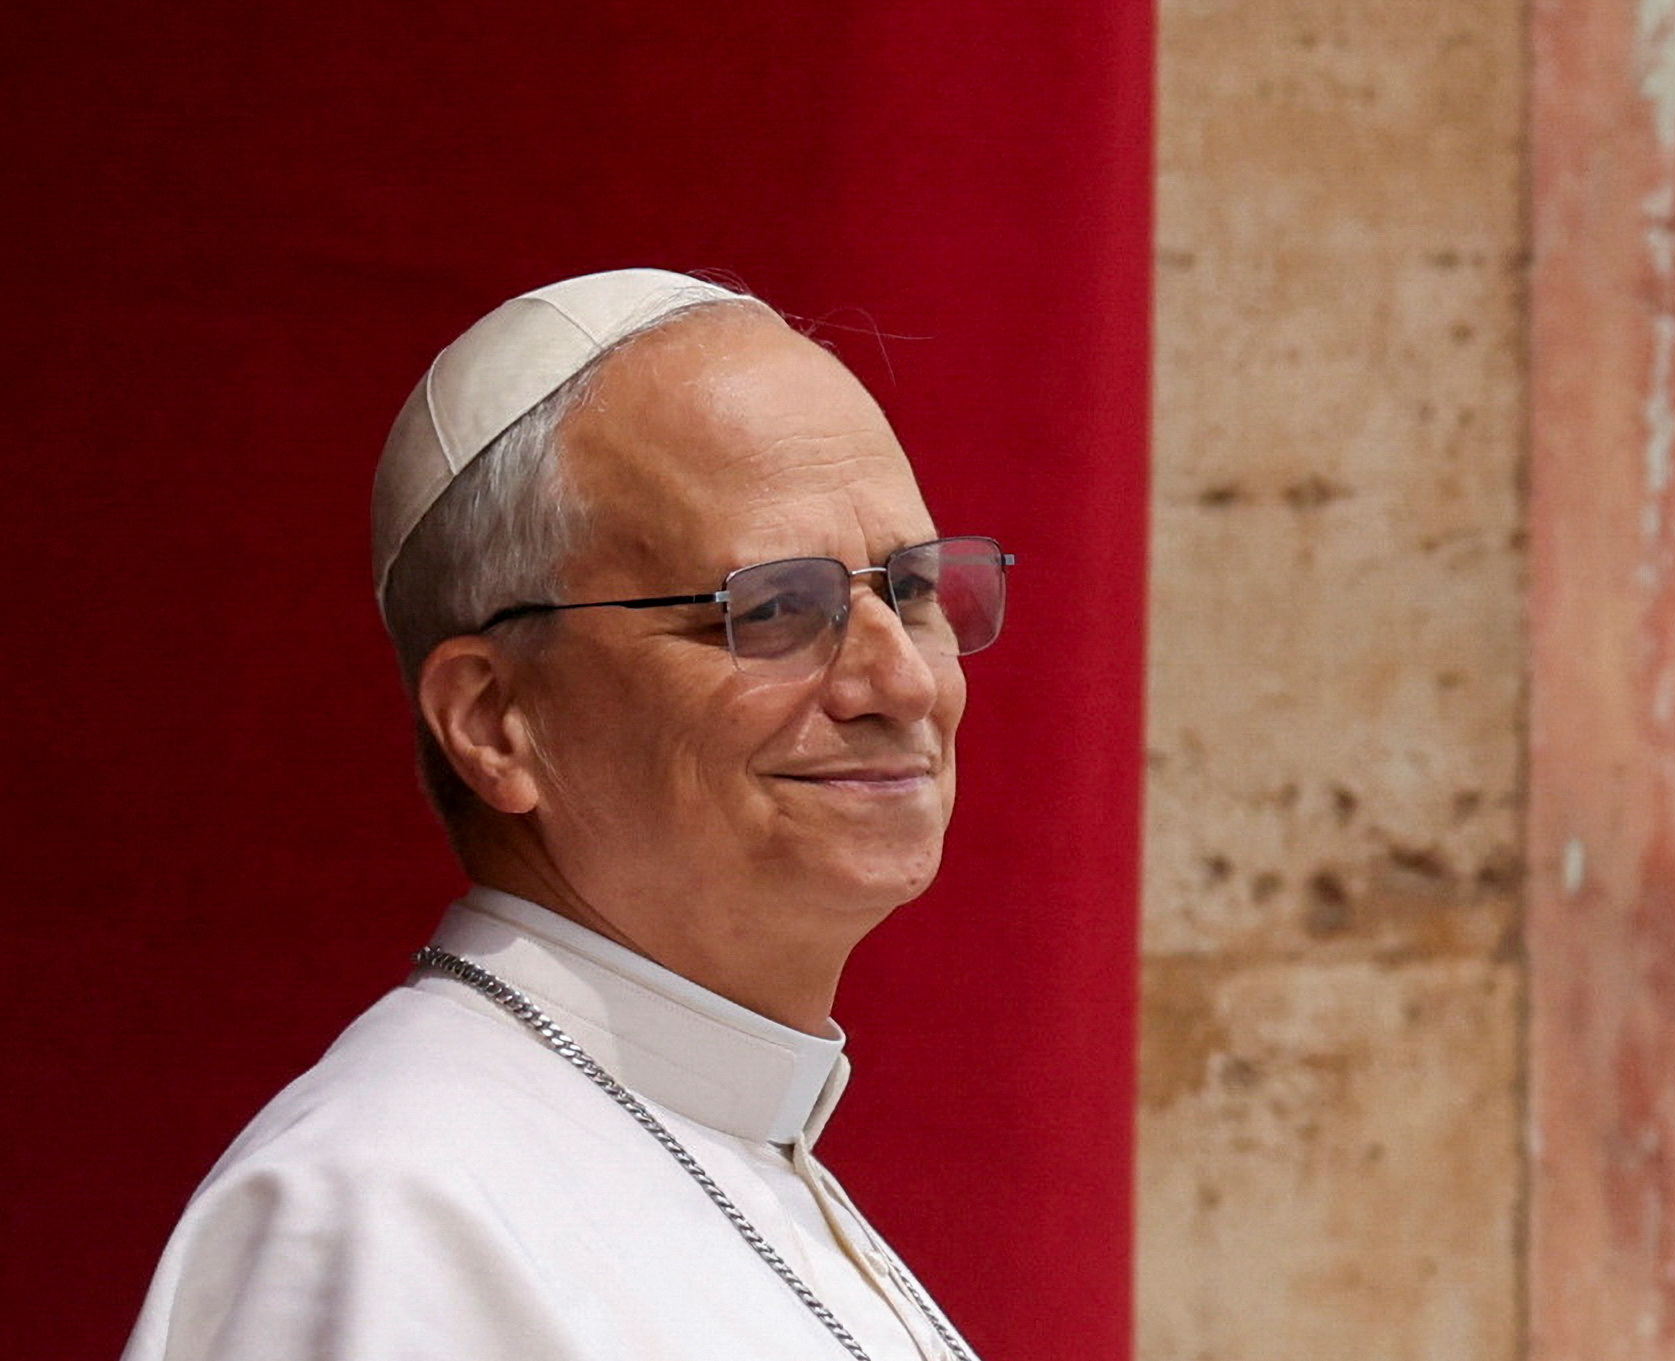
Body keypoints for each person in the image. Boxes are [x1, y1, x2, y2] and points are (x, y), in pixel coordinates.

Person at [122, 269, 1013, 1360]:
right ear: (495, 719)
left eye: (911, 589)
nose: (902, 682)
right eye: (777, 607)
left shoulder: (736, 1145)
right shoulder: (386, 1214)